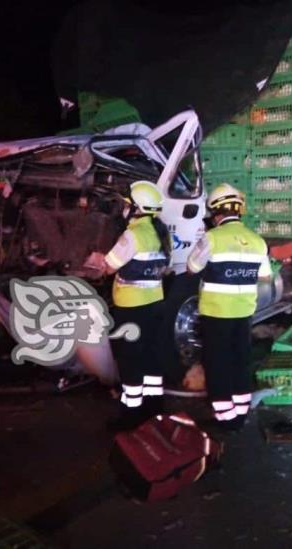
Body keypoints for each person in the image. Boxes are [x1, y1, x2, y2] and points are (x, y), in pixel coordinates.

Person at [186, 183, 271, 431]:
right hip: (244, 313)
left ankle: (225, 419)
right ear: (239, 211)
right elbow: (264, 275)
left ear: (215, 213)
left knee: (218, 365)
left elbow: (192, 268)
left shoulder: (212, 238)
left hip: (217, 313)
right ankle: (241, 413)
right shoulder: (257, 241)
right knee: (239, 361)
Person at [103, 180, 172, 430]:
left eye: (126, 204)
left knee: (130, 359)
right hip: (154, 304)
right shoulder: (161, 233)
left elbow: (109, 265)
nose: (124, 207)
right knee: (151, 355)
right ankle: (154, 408)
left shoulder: (132, 235)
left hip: (131, 307)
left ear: (136, 208)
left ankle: (131, 415)